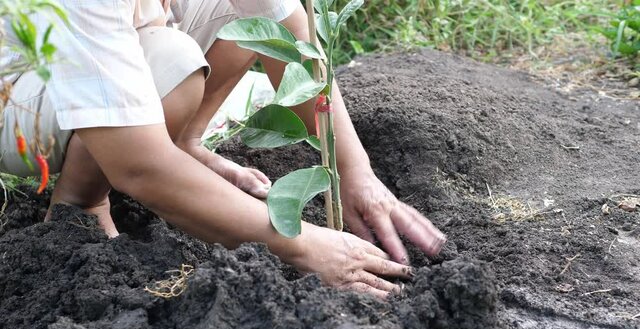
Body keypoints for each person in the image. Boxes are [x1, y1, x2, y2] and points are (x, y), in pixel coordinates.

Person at [0, 0, 446, 298]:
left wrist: (354, 172)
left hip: (104, 43)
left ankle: (183, 143)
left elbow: (283, 26)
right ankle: (79, 204)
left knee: (242, 17)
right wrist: (304, 245)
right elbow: (139, 167)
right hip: (19, 98)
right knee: (172, 59)